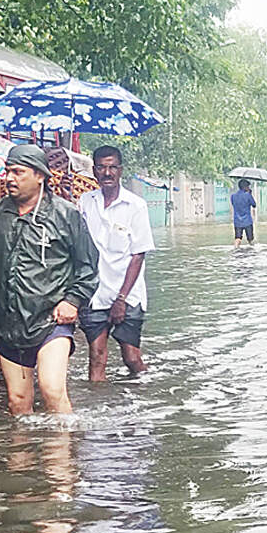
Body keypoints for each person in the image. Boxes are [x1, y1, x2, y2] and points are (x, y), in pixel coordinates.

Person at [0, 144, 99, 415]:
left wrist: (72, 301)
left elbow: (88, 266)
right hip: (8, 321)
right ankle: (21, 457)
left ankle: (61, 457)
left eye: (18, 172)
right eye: (7, 171)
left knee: (52, 390)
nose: (9, 178)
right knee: (18, 402)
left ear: (40, 175)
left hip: (50, 321)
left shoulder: (66, 214)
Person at [77, 146, 155, 381]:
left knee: (131, 358)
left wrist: (121, 299)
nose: (107, 173)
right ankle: (100, 411)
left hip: (128, 295)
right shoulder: (84, 202)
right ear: (94, 171)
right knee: (97, 358)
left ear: (120, 171)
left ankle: (142, 398)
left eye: (112, 167)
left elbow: (138, 255)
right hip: (95, 294)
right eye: (101, 167)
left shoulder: (136, 206)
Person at [229, 178, 257, 246]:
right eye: (248, 186)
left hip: (237, 221)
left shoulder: (233, 196)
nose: (248, 188)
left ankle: (235, 249)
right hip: (247, 221)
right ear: (245, 187)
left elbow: (234, 204)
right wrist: (250, 194)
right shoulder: (248, 195)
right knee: (250, 240)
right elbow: (254, 205)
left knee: (238, 238)